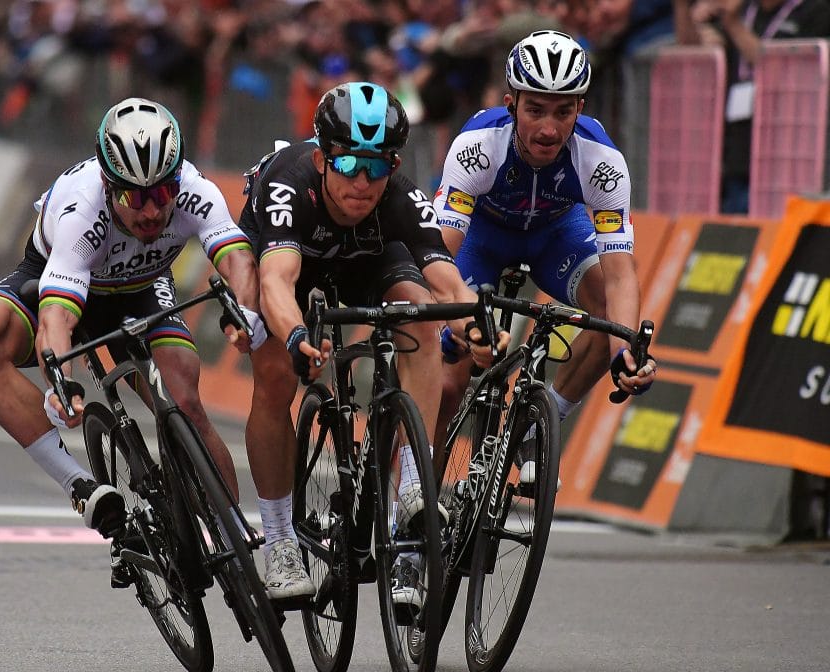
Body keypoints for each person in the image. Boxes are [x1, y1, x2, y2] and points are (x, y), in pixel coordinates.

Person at [0, 98, 264, 552]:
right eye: (135, 198)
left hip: (140, 288)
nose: (152, 211)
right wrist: (61, 382)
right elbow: (57, 316)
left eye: (161, 193)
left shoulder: (197, 190)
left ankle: (234, 534)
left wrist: (247, 312)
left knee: (185, 403)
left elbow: (236, 259)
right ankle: (79, 485)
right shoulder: (81, 211)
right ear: (107, 182)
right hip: (57, 282)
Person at [238, 82, 502, 611]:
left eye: (377, 168)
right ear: (321, 158)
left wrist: (476, 323)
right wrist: (292, 334)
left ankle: (411, 481)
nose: (363, 182)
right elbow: (275, 283)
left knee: (422, 318)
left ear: (393, 165)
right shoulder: (290, 187)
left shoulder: (399, 196)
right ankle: (280, 540)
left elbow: (447, 280)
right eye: (349, 166)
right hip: (286, 260)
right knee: (273, 377)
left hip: (365, 257)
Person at [432, 30, 658, 477]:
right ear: (511, 102)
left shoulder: (602, 161)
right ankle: (415, 516)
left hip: (556, 235)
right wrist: (449, 324)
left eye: (563, 111)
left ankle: (542, 422)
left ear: (581, 109)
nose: (549, 129)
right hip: (483, 236)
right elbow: (436, 257)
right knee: (447, 381)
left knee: (611, 314)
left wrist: (625, 350)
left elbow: (620, 276)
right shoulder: (477, 146)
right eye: (535, 110)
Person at [674, 0, 830, 214]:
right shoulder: (745, 10)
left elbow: (779, 71)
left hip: (788, 157)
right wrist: (683, 10)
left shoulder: (815, 10)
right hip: (738, 153)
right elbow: (692, 50)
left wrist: (733, 24)